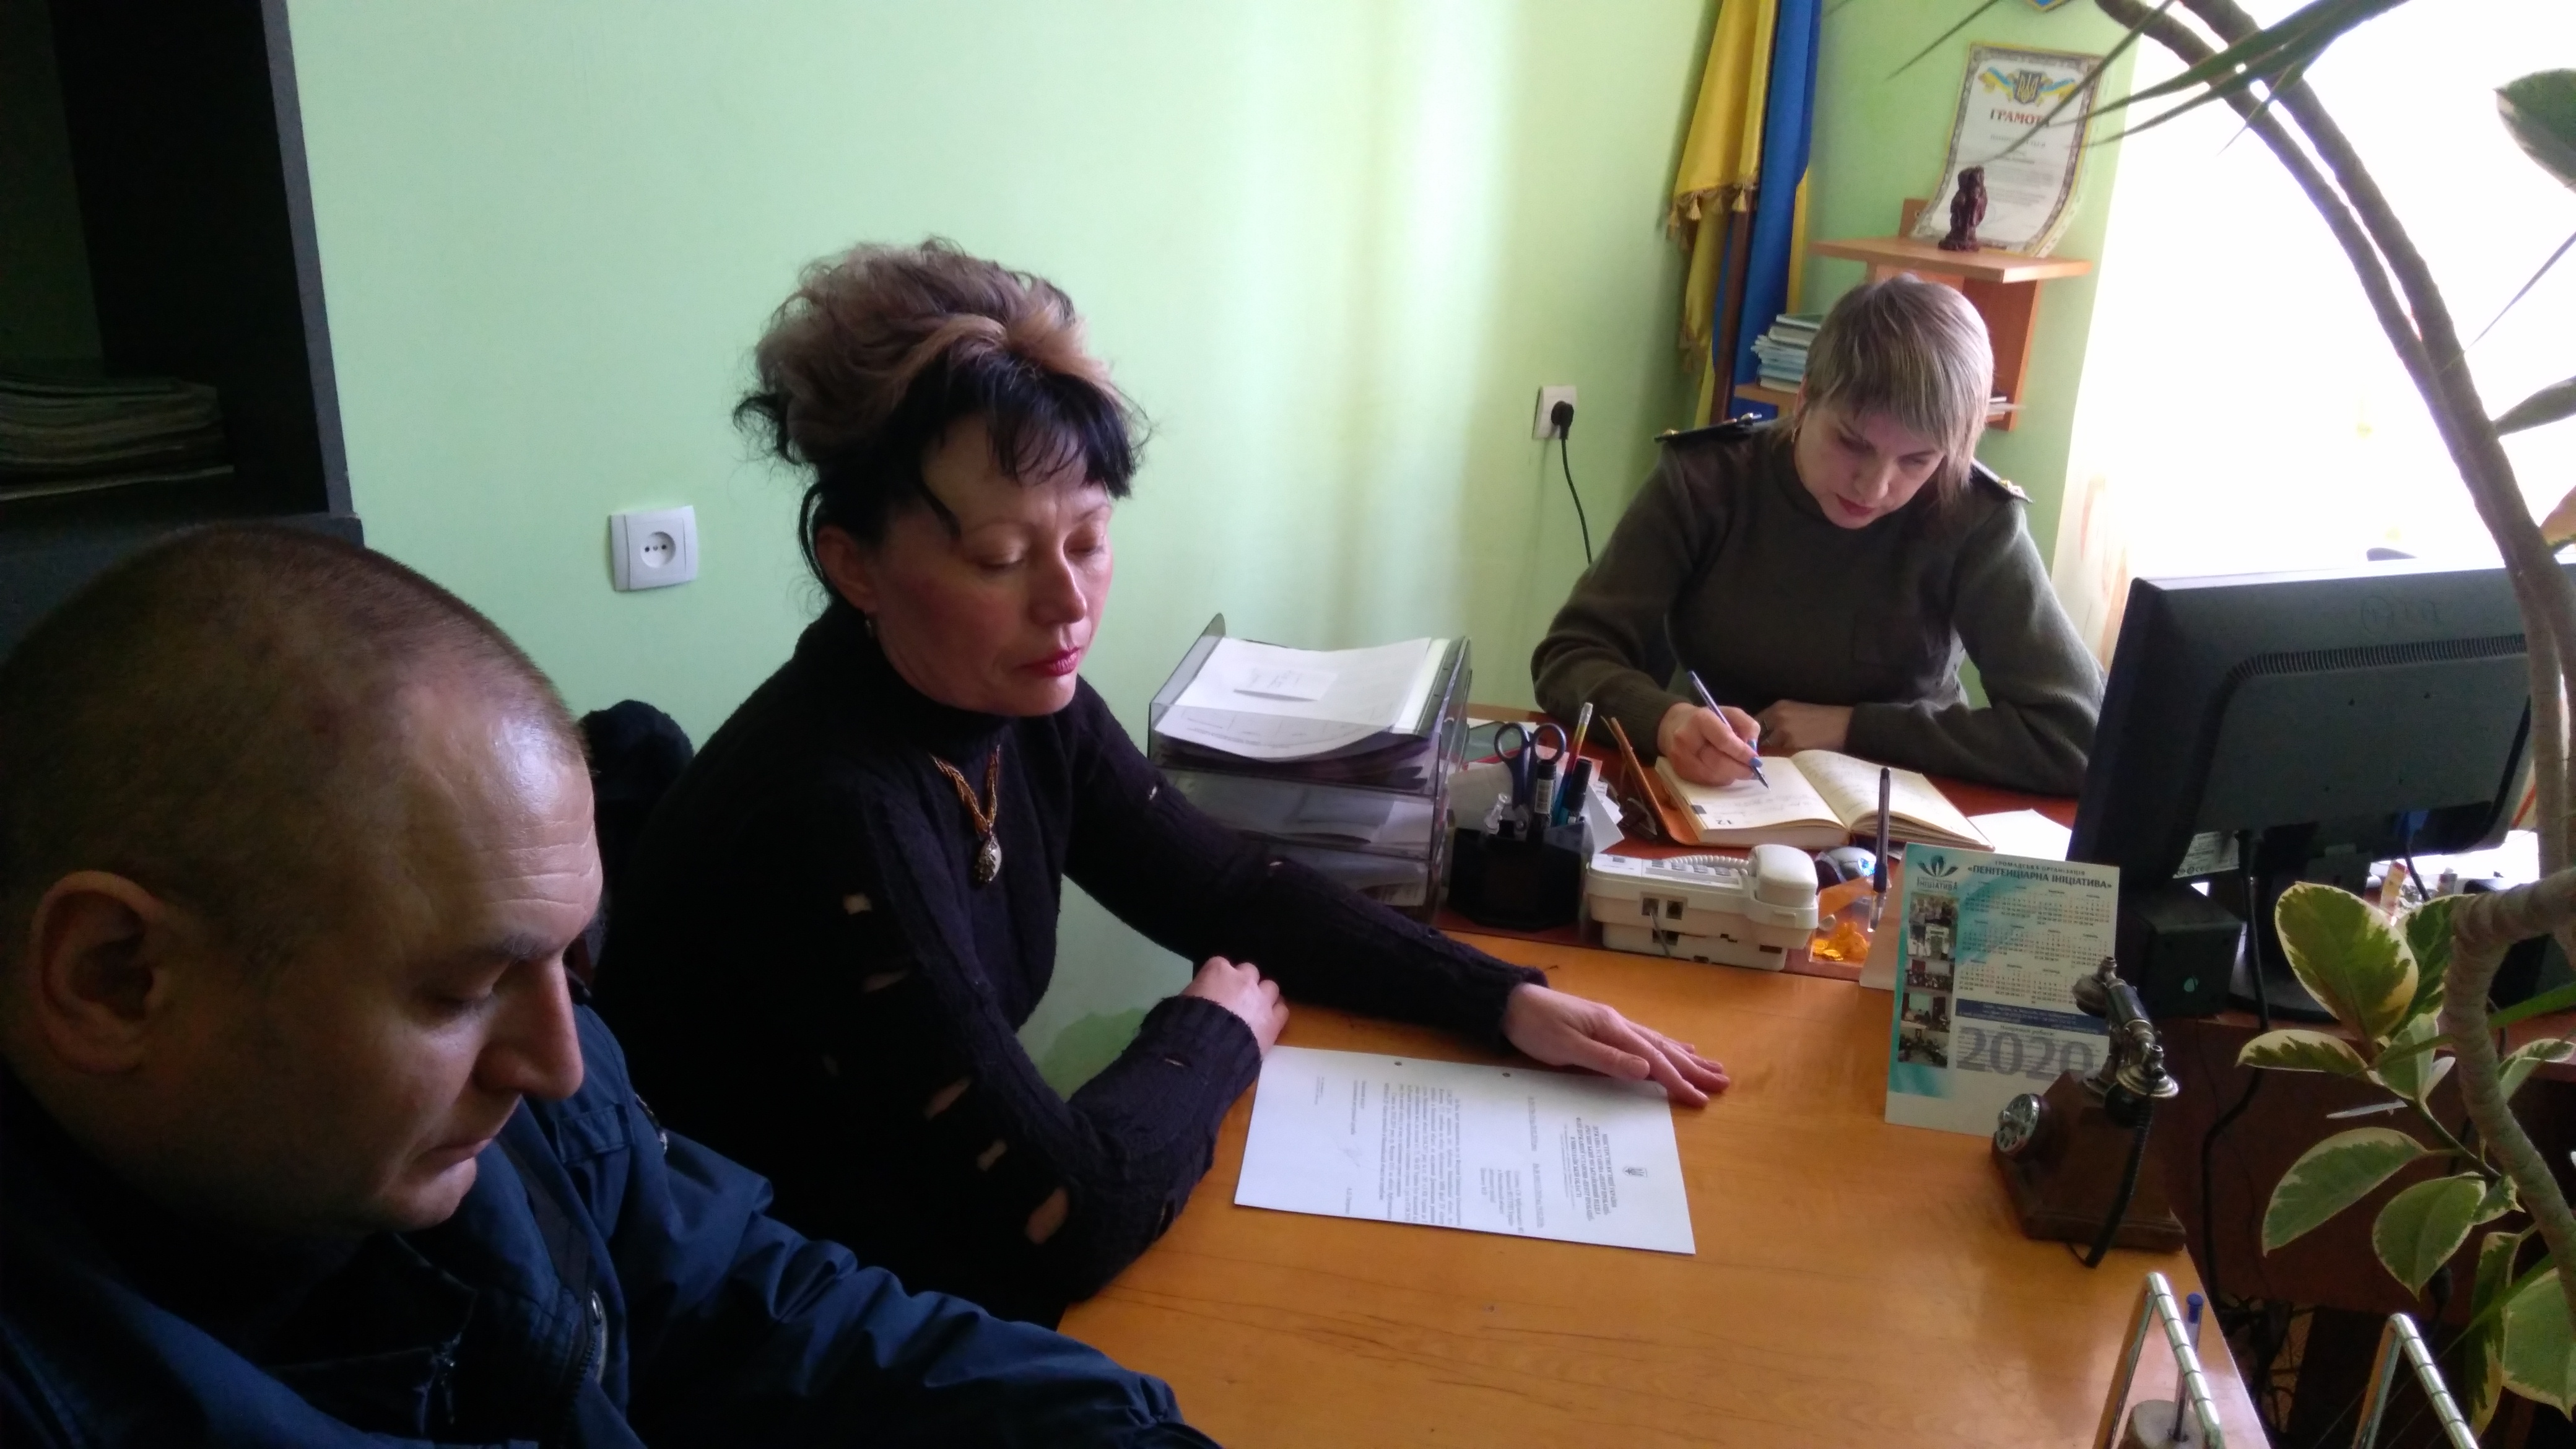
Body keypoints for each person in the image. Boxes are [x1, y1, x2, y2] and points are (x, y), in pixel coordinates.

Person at [595, 240, 1731, 1326]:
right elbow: (1065, 1219)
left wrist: (1501, 998)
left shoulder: (1009, 700)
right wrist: (1206, 1033)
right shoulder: (834, 813)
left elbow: (1225, 887)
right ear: (854, 564)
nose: (1067, 603)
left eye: (1089, 541)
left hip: (908, 1240)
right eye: (1000, 557)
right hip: (788, 1311)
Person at [0, 528, 1216, 1447]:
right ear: (116, 979)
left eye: (564, 963)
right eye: (462, 992)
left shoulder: (507, 1125)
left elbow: (768, 1309)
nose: (558, 1062)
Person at [1530, 277, 2103, 797]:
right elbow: (1571, 655)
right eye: (1852, 443)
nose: (1875, 486)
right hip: (1714, 793)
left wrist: (1855, 728)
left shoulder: (1974, 516)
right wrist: (1665, 720)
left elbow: (2079, 735)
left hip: (1900, 809)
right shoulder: (1706, 481)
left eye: (1917, 460)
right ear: (1804, 399)